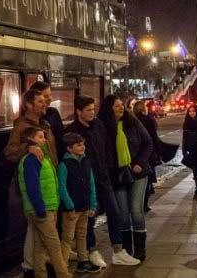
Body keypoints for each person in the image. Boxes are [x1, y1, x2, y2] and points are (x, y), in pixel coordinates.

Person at [5, 89, 58, 277]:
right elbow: (10, 152)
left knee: (39, 229)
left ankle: (37, 265)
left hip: (49, 182)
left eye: (45, 101)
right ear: (28, 104)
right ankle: (31, 266)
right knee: (35, 227)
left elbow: (52, 155)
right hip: (34, 183)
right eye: (40, 101)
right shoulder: (21, 126)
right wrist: (28, 147)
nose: (45, 104)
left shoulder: (45, 125)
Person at [64, 96, 121, 267]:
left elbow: (106, 146)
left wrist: (108, 167)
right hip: (87, 180)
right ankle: (92, 250)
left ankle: (118, 249)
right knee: (89, 218)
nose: (92, 112)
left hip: (103, 177)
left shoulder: (98, 125)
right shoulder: (73, 131)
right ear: (79, 112)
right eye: (88, 110)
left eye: (93, 109)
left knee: (114, 211)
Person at [98, 95, 152, 261]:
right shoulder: (103, 127)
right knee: (122, 213)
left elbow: (147, 142)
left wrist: (140, 163)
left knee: (136, 211)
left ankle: (140, 249)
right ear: (109, 109)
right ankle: (127, 250)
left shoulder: (132, 122)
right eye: (116, 106)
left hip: (137, 173)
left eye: (122, 105)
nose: (121, 108)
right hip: (118, 176)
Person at [18, 126, 72, 278]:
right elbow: (33, 186)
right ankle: (63, 274)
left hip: (42, 207)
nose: (45, 140)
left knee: (39, 247)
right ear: (31, 140)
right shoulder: (32, 159)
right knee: (54, 246)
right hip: (43, 209)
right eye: (40, 137)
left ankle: (40, 274)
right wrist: (41, 207)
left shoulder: (38, 157)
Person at [57, 132, 102, 273]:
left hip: (84, 207)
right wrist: (70, 205)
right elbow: (62, 186)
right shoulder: (64, 164)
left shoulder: (86, 161)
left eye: (83, 144)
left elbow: (91, 183)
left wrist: (92, 204)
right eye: (78, 145)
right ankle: (62, 268)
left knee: (82, 235)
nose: (82, 147)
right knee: (68, 239)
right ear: (69, 148)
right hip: (71, 209)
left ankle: (83, 261)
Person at [132, 101, 161, 213]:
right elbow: (153, 138)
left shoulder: (132, 120)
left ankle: (137, 203)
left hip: (136, 154)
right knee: (147, 179)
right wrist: (158, 152)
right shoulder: (149, 120)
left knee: (137, 179)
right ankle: (144, 204)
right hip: (148, 154)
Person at [30, 81, 64, 150]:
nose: (50, 99)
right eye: (45, 96)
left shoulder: (53, 112)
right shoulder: (28, 119)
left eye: (50, 95)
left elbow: (61, 136)